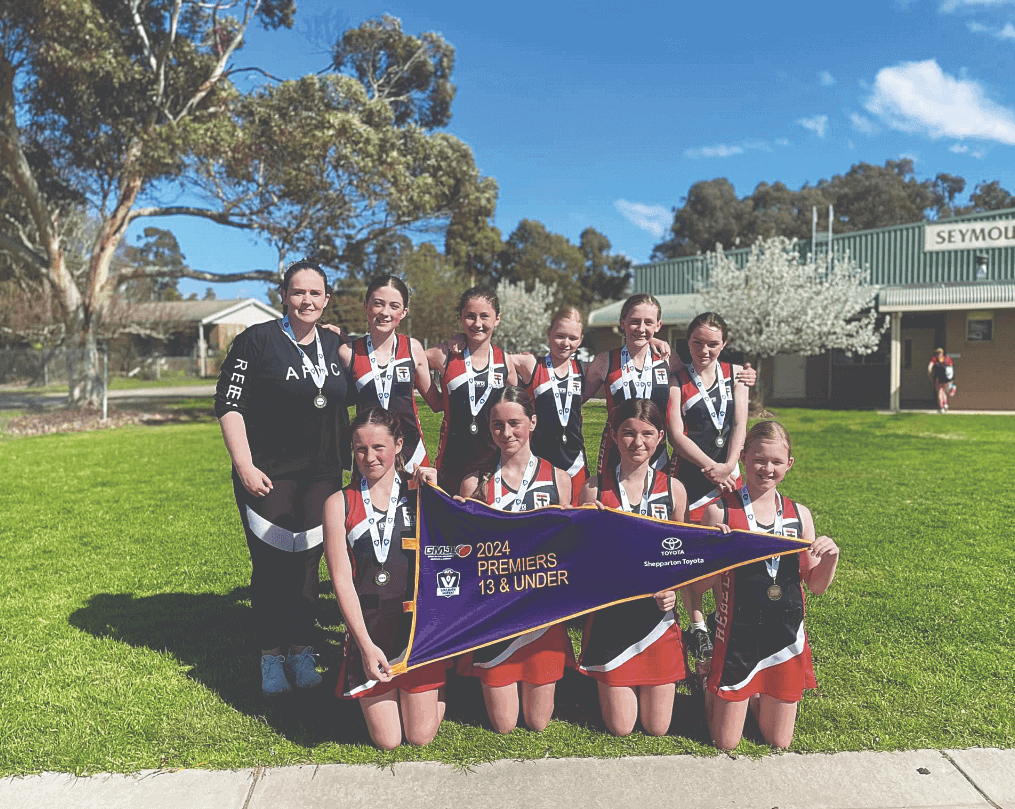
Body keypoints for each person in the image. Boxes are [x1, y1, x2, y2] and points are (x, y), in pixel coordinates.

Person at [215, 260, 348, 696]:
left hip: (322, 475)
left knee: (309, 563)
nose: (306, 300)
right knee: (271, 565)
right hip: (268, 475)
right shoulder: (256, 341)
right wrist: (245, 466)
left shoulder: (333, 345)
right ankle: (270, 657)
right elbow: (229, 405)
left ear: (326, 300)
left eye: (315, 293)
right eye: (298, 292)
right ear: (283, 296)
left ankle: (301, 649)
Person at [423, 386, 572, 734]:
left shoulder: (559, 480)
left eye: (515, 423)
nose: (506, 433)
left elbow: (567, 546)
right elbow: (462, 548)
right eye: (497, 425)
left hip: (542, 609)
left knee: (538, 723)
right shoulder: (475, 482)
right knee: (504, 726)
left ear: (532, 423)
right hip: (495, 611)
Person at [697, 421, 839, 750]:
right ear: (744, 458)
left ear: (789, 464)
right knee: (726, 743)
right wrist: (716, 556)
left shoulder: (798, 515)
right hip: (738, 638)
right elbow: (700, 585)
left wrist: (830, 558)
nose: (767, 468)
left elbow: (815, 586)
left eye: (776, 461)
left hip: (785, 637)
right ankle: (709, 685)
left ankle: (756, 695)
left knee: (779, 741)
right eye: (760, 459)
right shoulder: (720, 513)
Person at [322, 408, 446, 749]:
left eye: (379, 447)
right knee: (388, 741)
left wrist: (435, 493)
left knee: (420, 738)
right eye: (360, 449)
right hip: (372, 629)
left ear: (399, 445)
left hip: (418, 631)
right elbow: (341, 581)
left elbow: (454, 550)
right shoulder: (339, 504)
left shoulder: (420, 493)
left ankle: (442, 678)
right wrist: (364, 646)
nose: (369, 457)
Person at [577, 398, 690, 737]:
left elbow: (680, 555)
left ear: (659, 438)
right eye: (627, 433)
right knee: (622, 729)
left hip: (657, 618)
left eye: (647, 434)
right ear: (612, 435)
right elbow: (582, 559)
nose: (637, 443)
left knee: (657, 728)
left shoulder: (674, 489)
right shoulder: (595, 489)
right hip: (612, 617)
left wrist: (673, 588)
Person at [666, 312, 749, 663]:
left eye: (713, 343)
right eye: (698, 342)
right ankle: (697, 623)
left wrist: (729, 465)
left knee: (726, 548)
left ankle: (722, 617)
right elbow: (675, 434)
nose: (705, 350)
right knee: (694, 554)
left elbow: (741, 425)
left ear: (724, 344)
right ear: (688, 343)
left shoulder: (736, 376)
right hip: (691, 477)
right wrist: (709, 467)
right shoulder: (676, 379)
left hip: (729, 476)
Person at [339, 275, 443, 473]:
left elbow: (437, 403)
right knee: (368, 505)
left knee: (415, 505)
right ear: (366, 306)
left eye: (394, 306)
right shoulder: (347, 353)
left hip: (413, 455)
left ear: (404, 312)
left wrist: (451, 360)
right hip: (369, 456)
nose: (385, 312)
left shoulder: (413, 348)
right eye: (378, 304)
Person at [426, 287, 516, 496]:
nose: (477, 324)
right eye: (470, 316)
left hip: (494, 461)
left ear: (497, 319)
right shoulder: (445, 355)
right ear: (461, 318)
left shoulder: (505, 362)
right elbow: (411, 359)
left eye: (484, 316)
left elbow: (517, 411)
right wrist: (435, 400)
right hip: (451, 460)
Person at [584, 294, 672, 476]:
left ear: (658, 325)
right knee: (611, 503)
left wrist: (745, 373)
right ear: (622, 323)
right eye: (634, 322)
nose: (640, 328)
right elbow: (575, 400)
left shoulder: (669, 359)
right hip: (615, 451)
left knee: (658, 502)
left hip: (656, 452)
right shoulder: (604, 361)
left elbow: (702, 375)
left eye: (648, 322)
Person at [516, 306, 589, 504]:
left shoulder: (584, 370)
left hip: (575, 462)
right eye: (559, 336)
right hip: (539, 458)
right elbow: (491, 356)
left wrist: (653, 341)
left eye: (573, 338)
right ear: (549, 334)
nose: (566, 343)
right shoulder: (532, 364)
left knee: (574, 521)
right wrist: (462, 340)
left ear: (580, 340)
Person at [927, 348, 954, 414]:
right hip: (945, 378)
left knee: (939, 391)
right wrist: (950, 378)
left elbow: (929, 367)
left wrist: (930, 375)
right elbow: (951, 368)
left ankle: (941, 407)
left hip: (938, 377)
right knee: (944, 391)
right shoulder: (947, 359)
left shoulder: (935, 359)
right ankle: (945, 404)